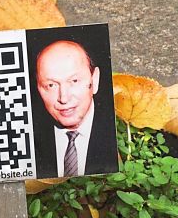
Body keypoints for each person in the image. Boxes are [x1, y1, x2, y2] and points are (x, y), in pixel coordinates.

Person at [31, 39, 117, 179]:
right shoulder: (25, 139)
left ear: (94, 80)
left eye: (74, 81)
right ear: (38, 88)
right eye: (51, 85)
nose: (64, 98)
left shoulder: (118, 130)